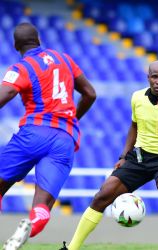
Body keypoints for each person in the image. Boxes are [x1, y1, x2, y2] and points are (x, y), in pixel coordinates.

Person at [62, 60, 158, 250]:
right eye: (155, 76)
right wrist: (123, 156)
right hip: (138, 157)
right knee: (102, 196)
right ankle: (72, 248)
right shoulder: (137, 98)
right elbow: (134, 127)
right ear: (148, 78)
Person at [0, 22, 96, 250]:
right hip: (64, 139)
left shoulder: (22, 67)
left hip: (33, 133)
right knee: (42, 207)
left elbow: (8, 91)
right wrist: (72, 118)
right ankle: (28, 226)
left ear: (16, 45)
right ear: (39, 39)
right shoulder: (64, 58)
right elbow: (90, 93)